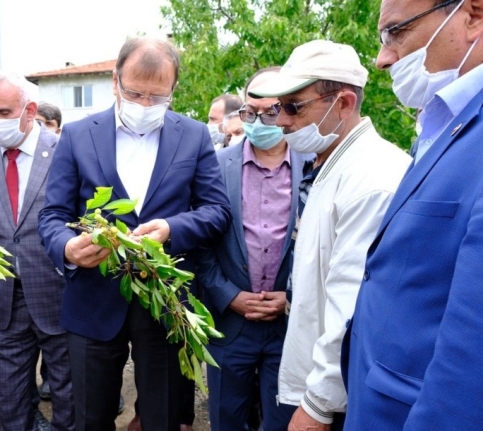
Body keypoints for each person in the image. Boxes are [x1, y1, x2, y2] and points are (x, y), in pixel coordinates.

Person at [38, 36, 231, 431]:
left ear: (173, 89)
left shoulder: (192, 136)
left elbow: (217, 211)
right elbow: (52, 215)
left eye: (157, 97)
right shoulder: (77, 135)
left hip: (165, 304)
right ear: (115, 82)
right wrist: (68, 249)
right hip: (92, 300)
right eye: (136, 93)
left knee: (162, 415)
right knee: (90, 415)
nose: (145, 105)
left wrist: (173, 229)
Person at [248, 39, 411, 431]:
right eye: (277, 108)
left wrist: (318, 406)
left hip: (338, 399)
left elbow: (349, 305)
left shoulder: (371, 178)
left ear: (343, 104)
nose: (282, 121)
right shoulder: (330, 163)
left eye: (293, 107)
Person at [343, 1, 483, 429]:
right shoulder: (444, 122)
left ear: (473, 15)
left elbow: (470, 362)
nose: (383, 59)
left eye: (396, 32)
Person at [198, 66, 310, 431]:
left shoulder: (314, 165)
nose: (259, 120)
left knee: (282, 421)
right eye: (250, 111)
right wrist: (229, 295)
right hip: (231, 323)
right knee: (226, 420)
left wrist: (289, 297)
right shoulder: (215, 167)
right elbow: (201, 244)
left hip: (289, 326)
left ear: (290, 109)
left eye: (271, 111)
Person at [0, 71, 74, 431]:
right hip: (5, 295)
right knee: (10, 389)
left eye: (3, 112)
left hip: (59, 291)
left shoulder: (66, 151)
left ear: (29, 109)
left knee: (67, 386)